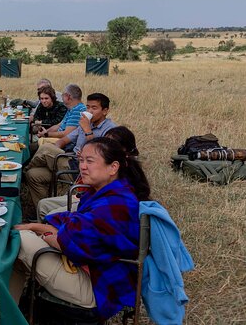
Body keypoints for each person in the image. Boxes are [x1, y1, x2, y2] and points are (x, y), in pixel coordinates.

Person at [8, 136, 150, 322]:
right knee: (26, 240)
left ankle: (8, 311)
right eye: (81, 160)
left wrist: (49, 235)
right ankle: (6, 313)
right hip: (96, 273)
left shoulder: (115, 203)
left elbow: (71, 242)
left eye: (90, 161)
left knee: (20, 238)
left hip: (97, 289)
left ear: (113, 167)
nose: (82, 166)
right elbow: (74, 223)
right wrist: (39, 227)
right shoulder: (110, 192)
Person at [24, 92, 115, 208]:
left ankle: (24, 169)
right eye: (87, 107)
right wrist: (54, 150)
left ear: (105, 111)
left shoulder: (110, 130)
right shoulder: (85, 124)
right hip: (69, 159)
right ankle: (44, 210)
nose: (89, 111)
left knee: (45, 149)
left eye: (94, 108)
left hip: (82, 170)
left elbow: (99, 156)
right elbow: (64, 140)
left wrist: (87, 130)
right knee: (33, 174)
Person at [37, 126, 138, 221]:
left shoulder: (121, 171)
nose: (106, 146)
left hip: (86, 197)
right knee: (42, 202)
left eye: (89, 161)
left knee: (50, 218)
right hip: (86, 195)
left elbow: (86, 227)